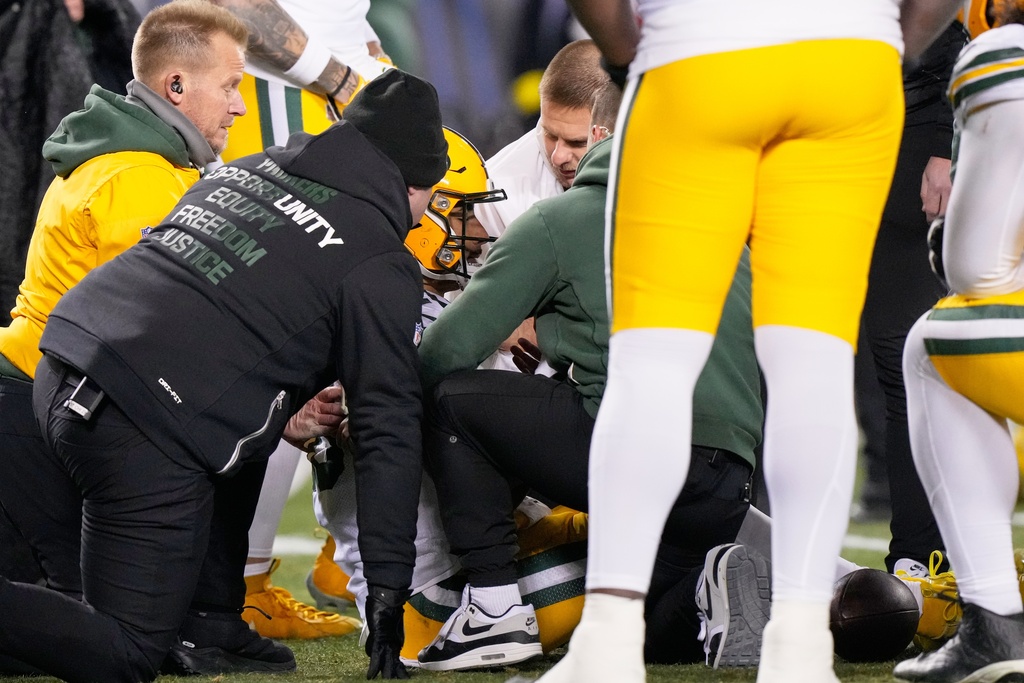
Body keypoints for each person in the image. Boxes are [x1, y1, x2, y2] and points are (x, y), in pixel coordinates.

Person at [544, 1, 966, 682]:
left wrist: (625, 54)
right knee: (815, 359)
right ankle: (799, 644)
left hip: (701, 48)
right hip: (848, 60)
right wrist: (890, 45)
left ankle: (609, 641)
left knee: (652, 361)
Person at [0, 68, 447, 682]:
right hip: (138, 424)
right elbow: (388, 433)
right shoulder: (377, 256)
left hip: (59, 369)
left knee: (249, 413)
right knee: (128, 653)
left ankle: (213, 619)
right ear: (413, 182)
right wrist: (388, 595)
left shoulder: (244, 168)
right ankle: (195, 618)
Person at [416, 90, 764, 671]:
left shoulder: (561, 217)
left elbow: (448, 348)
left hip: (638, 455)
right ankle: (714, 592)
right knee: (640, 634)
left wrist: (370, 396)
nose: (558, 153)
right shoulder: (721, 226)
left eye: (577, 139)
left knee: (451, 401)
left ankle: (494, 610)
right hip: (727, 477)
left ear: (602, 136)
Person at [0, 1, 300, 676]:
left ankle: (210, 617)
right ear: (175, 88)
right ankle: (199, 617)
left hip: (46, 398)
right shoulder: (138, 177)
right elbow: (156, 336)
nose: (241, 106)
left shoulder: (155, 162)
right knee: (101, 635)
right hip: (39, 408)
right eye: (230, 85)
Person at [205, 0, 397, 637]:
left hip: (323, 82)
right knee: (283, 334)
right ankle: (243, 585)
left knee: (347, 326)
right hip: (287, 91)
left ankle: (334, 555)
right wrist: (339, 76)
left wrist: (364, 54)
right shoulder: (312, 80)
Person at [894, 3, 1024, 681]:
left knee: (935, 346)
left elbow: (974, 269)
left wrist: (947, 241)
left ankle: (995, 621)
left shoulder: (1002, 52)